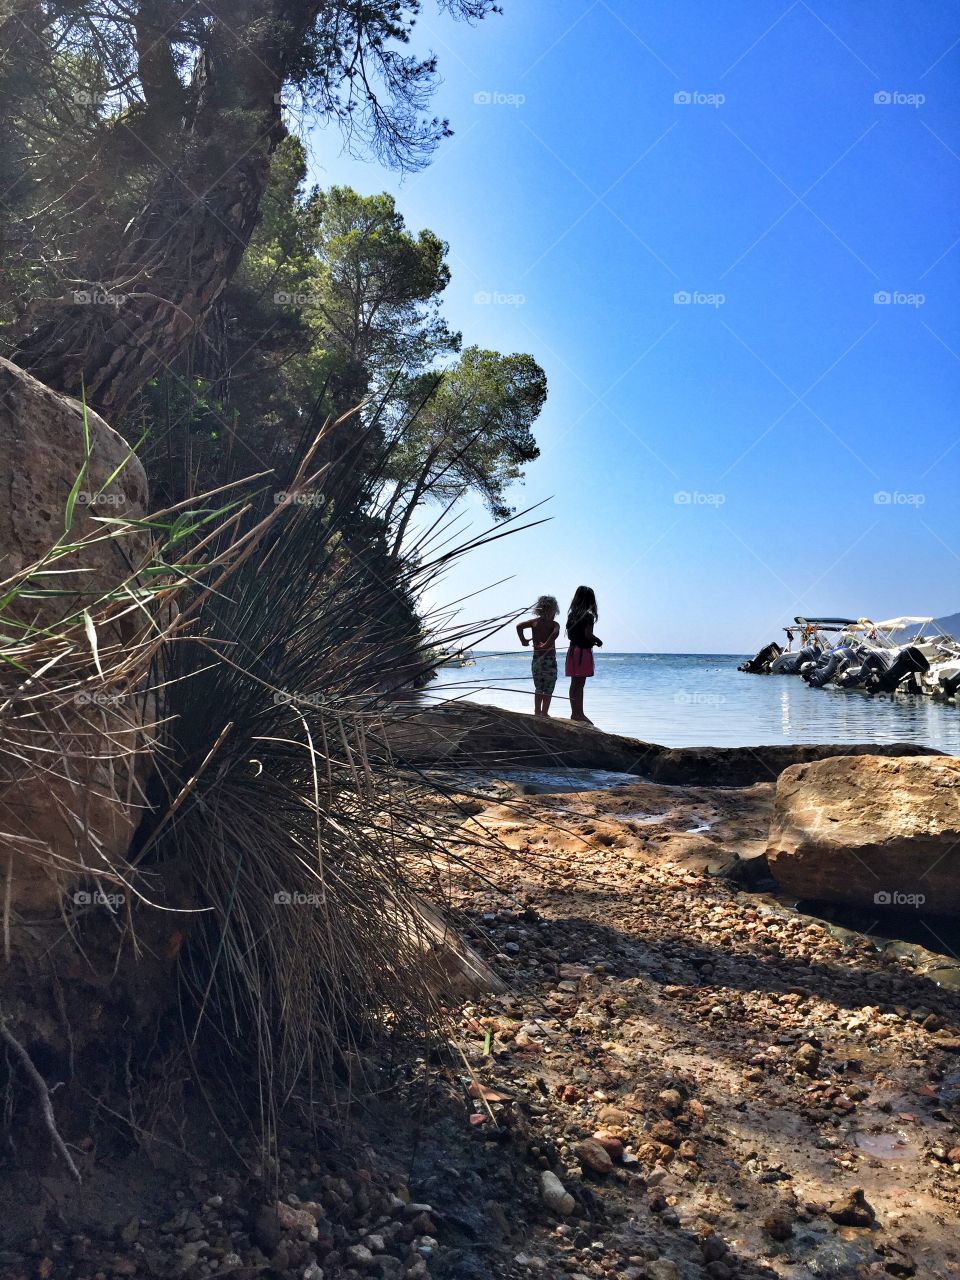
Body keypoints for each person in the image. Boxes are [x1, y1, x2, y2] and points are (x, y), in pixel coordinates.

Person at [516, 595, 561, 717]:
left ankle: (537, 712)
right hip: (549, 660)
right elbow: (555, 634)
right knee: (548, 687)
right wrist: (545, 645)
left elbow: (519, 626)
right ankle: (544, 712)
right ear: (553, 610)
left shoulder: (535, 622)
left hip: (537, 660)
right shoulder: (554, 624)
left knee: (539, 687)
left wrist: (523, 641)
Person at [565, 585, 602, 723]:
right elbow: (588, 635)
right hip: (582, 652)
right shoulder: (588, 616)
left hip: (572, 651)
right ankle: (579, 713)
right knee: (580, 684)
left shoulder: (571, 615)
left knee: (574, 683)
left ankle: (574, 713)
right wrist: (598, 641)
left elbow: (570, 635)